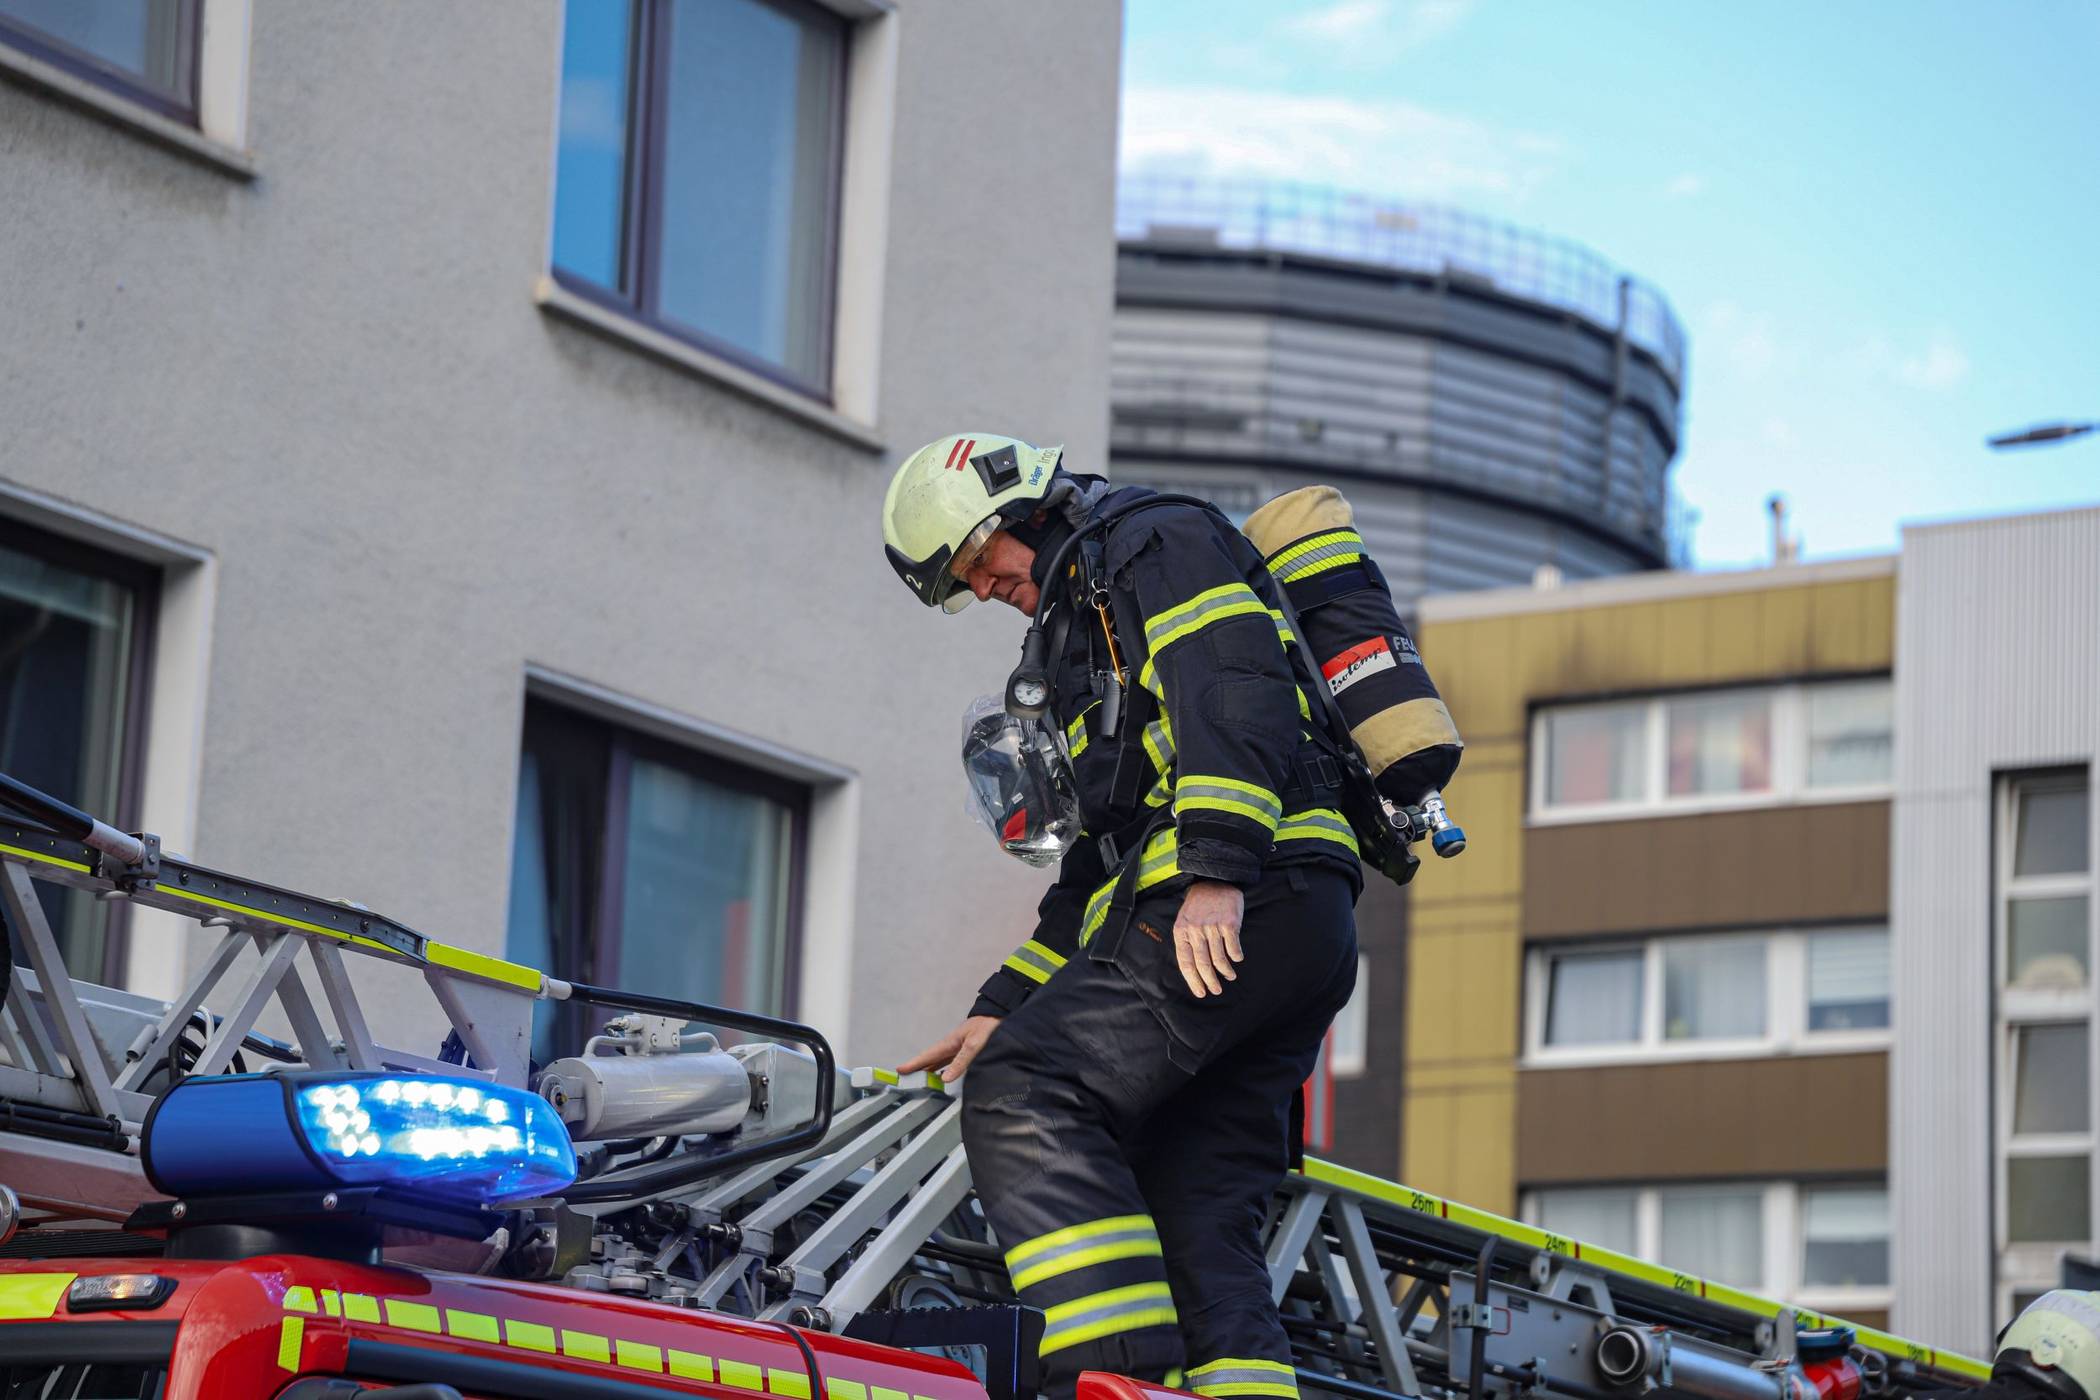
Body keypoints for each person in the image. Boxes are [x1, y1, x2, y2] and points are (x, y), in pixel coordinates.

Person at [882, 432, 1362, 1400]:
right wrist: (1002, 1001)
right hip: (1287, 917)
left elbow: (1233, 690)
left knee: (1025, 1089)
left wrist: (1218, 869)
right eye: (964, 584)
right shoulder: (1073, 625)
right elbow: (1094, 860)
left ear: (1009, 512)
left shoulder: (1152, 541)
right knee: (1192, 1204)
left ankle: (1109, 1383)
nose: (983, 587)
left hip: (1241, 897)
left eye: (978, 562)